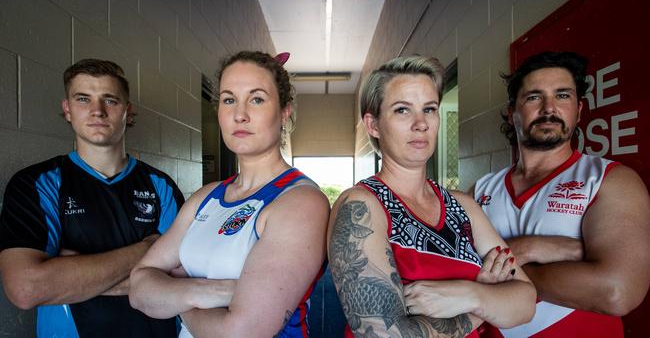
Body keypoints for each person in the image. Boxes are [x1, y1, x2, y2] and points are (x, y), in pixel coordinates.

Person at [328, 55, 536, 338]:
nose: (420, 123)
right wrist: (485, 301)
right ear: (373, 125)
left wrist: (469, 294)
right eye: (402, 110)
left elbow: (525, 300)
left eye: (429, 109)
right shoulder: (361, 205)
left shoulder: (463, 205)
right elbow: (384, 335)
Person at [128, 51, 330, 337]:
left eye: (257, 99)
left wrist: (175, 297)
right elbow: (138, 287)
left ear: (285, 111)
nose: (240, 114)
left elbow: (240, 333)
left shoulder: (301, 202)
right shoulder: (206, 197)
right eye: (229, 99)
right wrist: (220, 291)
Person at [0, 59, 184, 337]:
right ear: (67, 109)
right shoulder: (37, 184)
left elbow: (182, 277)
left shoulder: (162, 187)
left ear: (128, 111)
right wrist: (149, 248)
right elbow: (27, 289)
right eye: (83, 99)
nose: (97, 111)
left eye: (110, 100)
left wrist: (70, 276)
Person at [473, 51, 650, 337]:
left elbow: (616, 291)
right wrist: (568, 250)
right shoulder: (481, 190)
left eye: (562, 96)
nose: (548, 108)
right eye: (533, 97)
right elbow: (456, 267)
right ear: (512, 112)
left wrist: (522, 251)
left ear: (579, 110)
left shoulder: (609, 179)